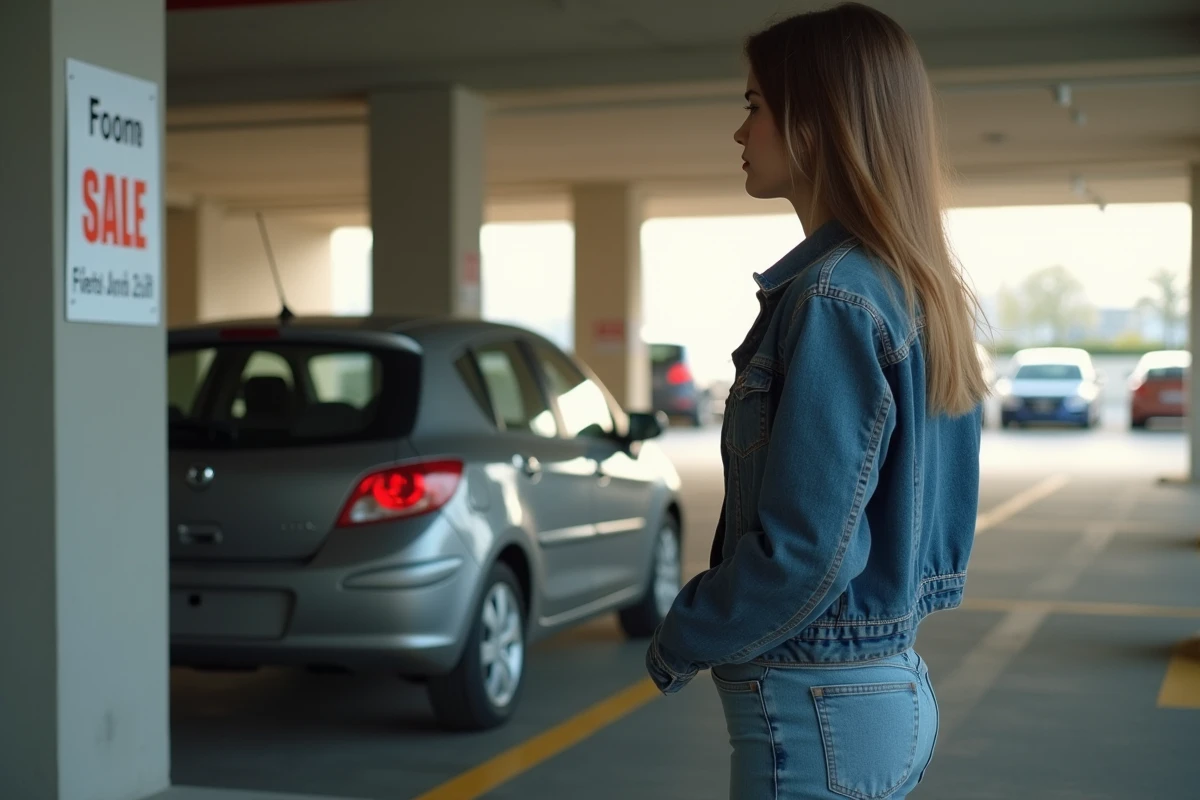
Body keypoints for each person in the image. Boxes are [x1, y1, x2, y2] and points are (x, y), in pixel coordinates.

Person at [645, 4, 988, 799]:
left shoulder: (835, 298)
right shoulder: (912, 289)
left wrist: (682, 632)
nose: (740, 134)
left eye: (753, 107)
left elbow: (807, 555)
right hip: (882, 686)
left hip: (815, 710)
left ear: (817, 120)